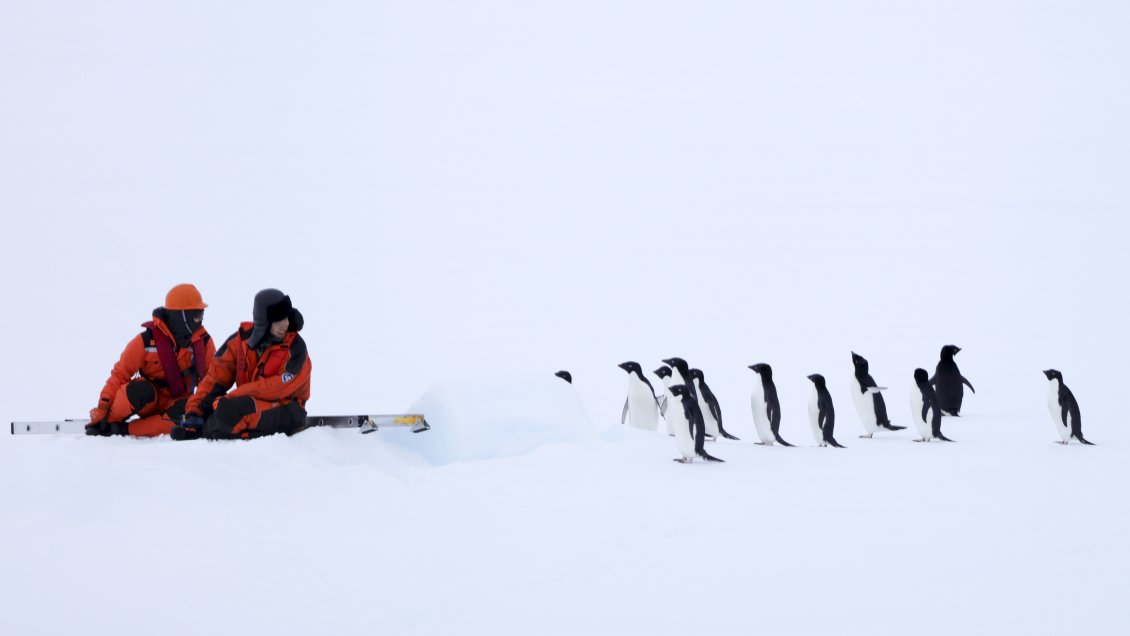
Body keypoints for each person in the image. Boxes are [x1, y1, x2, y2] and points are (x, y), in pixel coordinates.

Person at [173, 288, 312, 440]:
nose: (285, 324)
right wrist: (194, 410)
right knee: (220, 407)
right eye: (278, 320)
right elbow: (215, 377)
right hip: (251, 402)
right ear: (264, 321)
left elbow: (275, 389)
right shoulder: (241, 340)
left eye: (286, 318)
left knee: (230, 410)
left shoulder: (296, 350)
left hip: (288, 408)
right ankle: (199, 425)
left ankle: (200, 432)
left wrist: (231, 397)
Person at [88, 284, 214, 437]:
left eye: (201, 315)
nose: (200, 320)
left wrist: (214, 410)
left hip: (177, 405)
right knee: (139, 390)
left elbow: (214, 381)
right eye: (196, 316)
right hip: (148, 401)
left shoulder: (204, 343)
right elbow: (120, 374)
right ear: (181, 316)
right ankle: (108, 421)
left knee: (186, 412)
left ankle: (123, 429)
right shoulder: (146, 341)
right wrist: (103, 406)